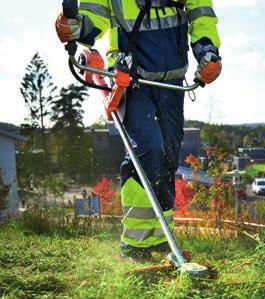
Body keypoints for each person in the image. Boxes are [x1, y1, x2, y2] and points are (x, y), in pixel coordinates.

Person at [56, 0, 221, 259]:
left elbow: (202, 16)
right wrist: (76, 25)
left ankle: (160, 236)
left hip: (172, 81)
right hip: (131, 77)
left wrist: (208, 53)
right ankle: (134, 243)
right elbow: (93, 15)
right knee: (147, 149)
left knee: (168, 155)